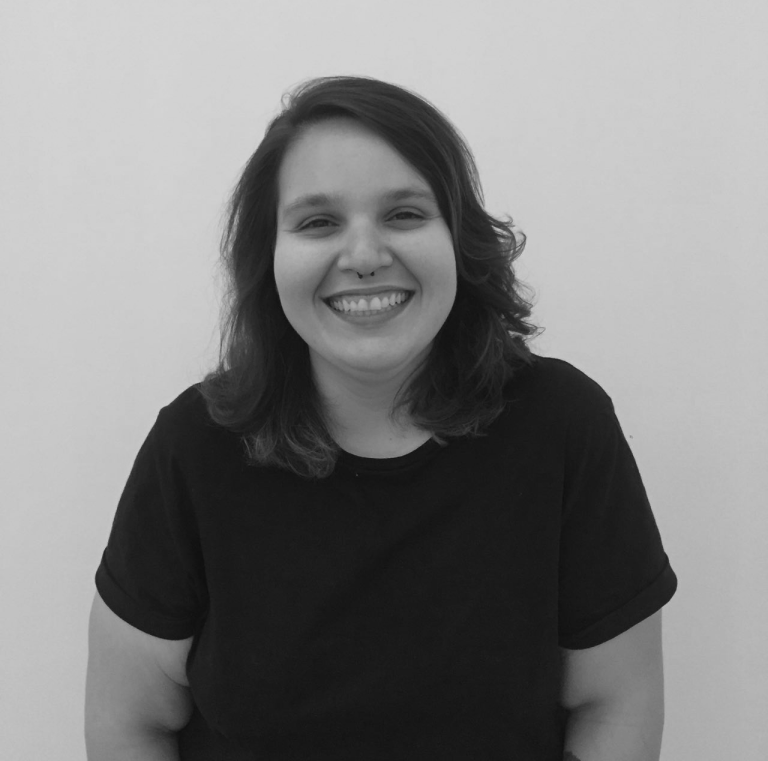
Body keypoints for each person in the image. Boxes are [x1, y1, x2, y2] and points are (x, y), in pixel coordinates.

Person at [85, 76, 678, 760]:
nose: (364, 257)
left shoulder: (563, 426)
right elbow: (129, 725)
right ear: (267, 259)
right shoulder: (193, 448)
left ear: (459, 238)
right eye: (318, 222)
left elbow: (615, 705)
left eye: (403, 214)